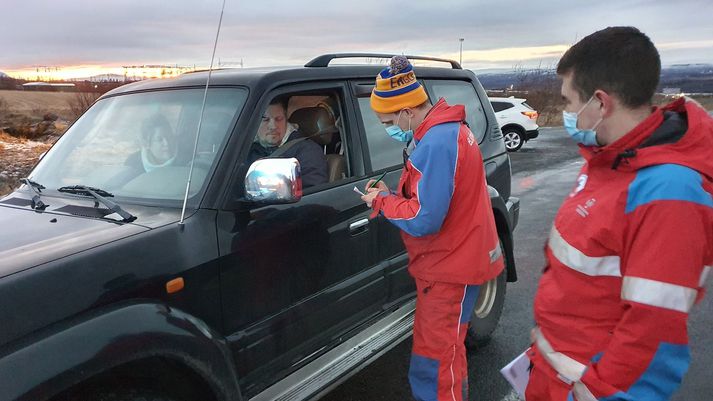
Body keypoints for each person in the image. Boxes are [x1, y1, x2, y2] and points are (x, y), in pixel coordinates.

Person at [526, 27, 713, 401]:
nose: (565, 113)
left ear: (599, 103)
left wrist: (599, 391)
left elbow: (655, 330)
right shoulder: (610, 160)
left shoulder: (668, 193)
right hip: (555, 371)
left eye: (567, 102)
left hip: (586, 386)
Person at [361, 56, 504, 401]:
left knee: (437, 362)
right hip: (456, 260)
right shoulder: (450, 131)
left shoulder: (437, 143)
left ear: (407, 111)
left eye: (387, 120)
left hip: (449, 268)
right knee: (444, 354)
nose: (387, 129)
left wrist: (382, 201)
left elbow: (425, 218)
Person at [247, 97, 328, 188]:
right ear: (254, 122)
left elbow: (313, 193)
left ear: (286, 120)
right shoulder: (244, 149)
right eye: (265, 119)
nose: (273, 126)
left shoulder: (308, 151)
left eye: (279, 119)